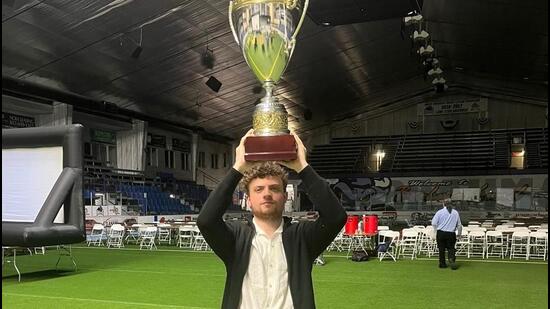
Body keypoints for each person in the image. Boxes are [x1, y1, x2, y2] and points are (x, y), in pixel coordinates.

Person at [197, 129, 347, 309]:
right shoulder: (235, 238)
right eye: (258, 189)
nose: (267, 194)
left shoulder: (302, 238)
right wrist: (238, 168)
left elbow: (336, 217)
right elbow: (206, 221)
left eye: (274, 189)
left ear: (285, 197)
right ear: (249, 200)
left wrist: (302, 167)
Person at [431, 199, 462, 270]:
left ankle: (442, 264)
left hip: (441, 233)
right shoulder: (455, 213)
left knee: (441, 249)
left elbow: (433, 223)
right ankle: (451, 259)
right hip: (451, 233)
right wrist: (459, 234)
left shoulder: (439, 212)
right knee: (451, 248)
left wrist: (436, 230)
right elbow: (459, 225)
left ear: (443, 204)